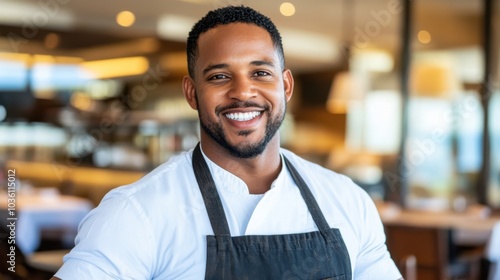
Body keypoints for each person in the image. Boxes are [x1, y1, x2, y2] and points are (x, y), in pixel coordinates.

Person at [52, 6, 402, 280]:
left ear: (286, 86)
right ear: (192, 93)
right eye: (220, 76)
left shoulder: (348, 200)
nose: (243, 92)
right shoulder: (136, 213)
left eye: (260, 73)